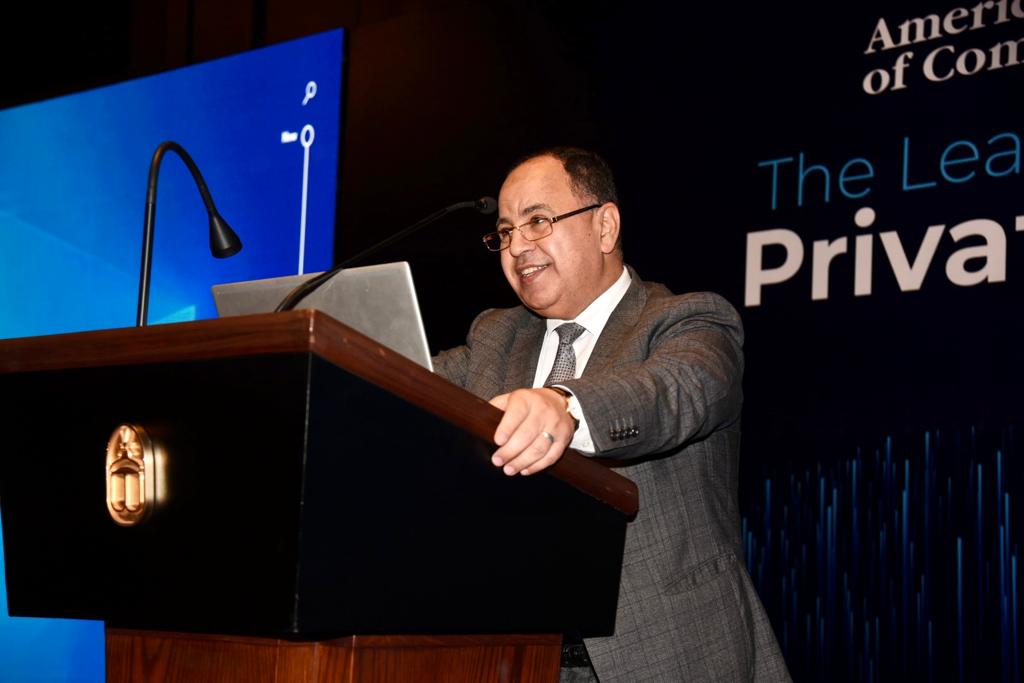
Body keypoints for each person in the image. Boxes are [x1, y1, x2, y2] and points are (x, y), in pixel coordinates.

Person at [433, 148, 790, 682]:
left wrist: (564, 406)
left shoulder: (686, 319)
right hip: (513, 656)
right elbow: (401, 381)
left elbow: (679, 390)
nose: (517, 246)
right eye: (505, 232)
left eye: (538, 221)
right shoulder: (494, 337)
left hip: (665, 651)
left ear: (605, 226)